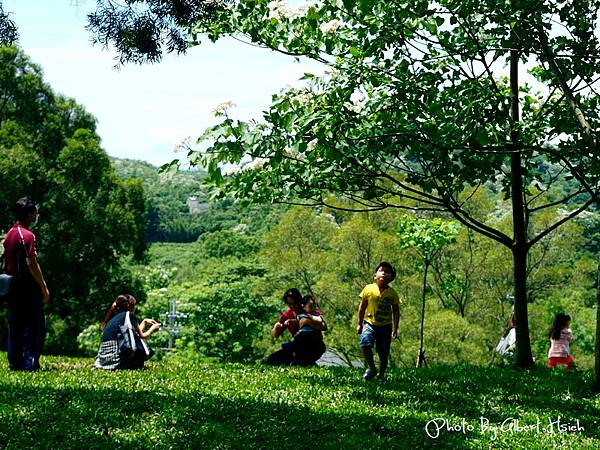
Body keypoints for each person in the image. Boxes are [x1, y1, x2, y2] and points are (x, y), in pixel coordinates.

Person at [3, 196, 50, 371]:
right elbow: (32, 263)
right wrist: (43, 287)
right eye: (35, 213)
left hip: (12, 286)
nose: (36, 216)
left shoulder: (9, 234)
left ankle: (15, 362)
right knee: (35, 326)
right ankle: (30, 363)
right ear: (30, 215)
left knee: (15, 326)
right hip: (27, 287)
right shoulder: (27, 235)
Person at [356, 262, 401, 381]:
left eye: (388, 272)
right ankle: (371, 368)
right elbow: (362, 306)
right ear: (375, 275)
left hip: (385, 326)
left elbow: (396, 312)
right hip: (369, 323)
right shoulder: (368, 289)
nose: (384, 274)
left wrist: (395, 329)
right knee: (365, 344)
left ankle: (381, 375)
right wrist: (359, 323)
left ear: (391, 277)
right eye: (382, 271)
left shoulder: (392, 294)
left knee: (383, 353)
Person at [94, 294, 161, 370]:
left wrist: (144, 322)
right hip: (117, 360)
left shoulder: (113, 318)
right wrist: (152, 329)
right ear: (129, 306)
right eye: (134, 305)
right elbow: (142, 336)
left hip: (104, 361)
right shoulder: (130, 315)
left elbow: (134, 333)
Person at [266, 288, 303, 365]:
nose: (293, 306)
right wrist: (276, 328)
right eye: (290, 304)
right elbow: (275, 334)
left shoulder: (308, 310)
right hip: (295, 347)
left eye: (295, 303)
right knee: (272, 360)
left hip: (310, 345)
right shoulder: (287, 315)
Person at [291, 294, 327, 366]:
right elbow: (300, 322)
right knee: (296, 342)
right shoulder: (301, 314)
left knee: (320, 347)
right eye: (310, 307)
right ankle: (298, 360)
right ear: (303, 306)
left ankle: (307, 361)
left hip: (314, 335)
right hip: (303, 335)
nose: (313, 309)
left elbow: (323, 325)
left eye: (315, 306)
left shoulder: (316, 314)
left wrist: (312, 319)